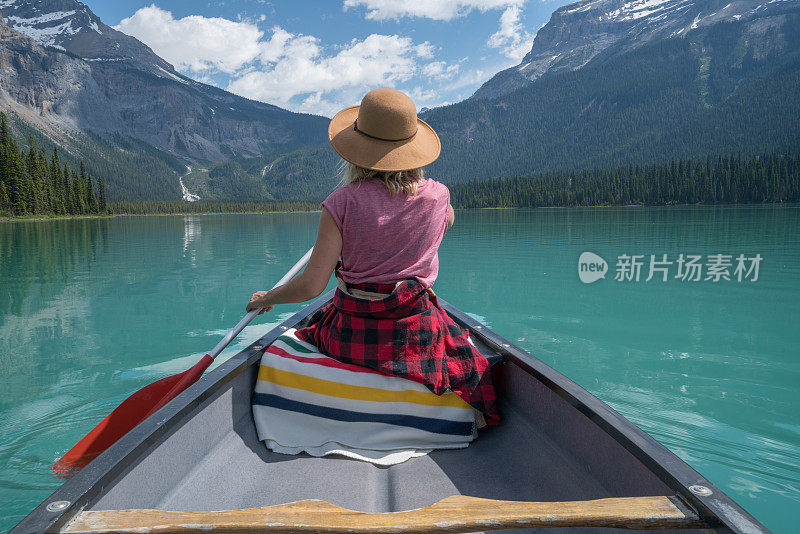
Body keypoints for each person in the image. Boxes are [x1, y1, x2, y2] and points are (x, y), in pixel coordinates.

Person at [247, 88, 499, 425]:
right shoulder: (439, 197)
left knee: (308, 328)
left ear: (358, 149)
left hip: (351, 334)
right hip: (416, 333)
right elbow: (449, 219)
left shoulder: (340, 203)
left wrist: (269, 297)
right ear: (412, 150)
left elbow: (311, 287)